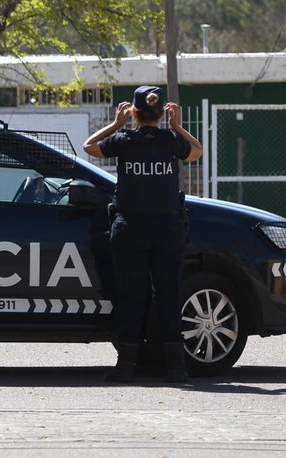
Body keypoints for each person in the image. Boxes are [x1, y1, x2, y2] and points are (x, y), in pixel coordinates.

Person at [83, 85, 202, 382]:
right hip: (167, 230)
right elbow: (196, 152)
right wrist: (177, 127)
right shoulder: (170, 141)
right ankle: (176, 368)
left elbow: (89, 147)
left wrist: (116, 123)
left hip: (130, 230)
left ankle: (126, 366)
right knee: (169, 297)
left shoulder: (124, 140)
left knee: (131, 297)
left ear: (134, 112)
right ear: (162, 113)